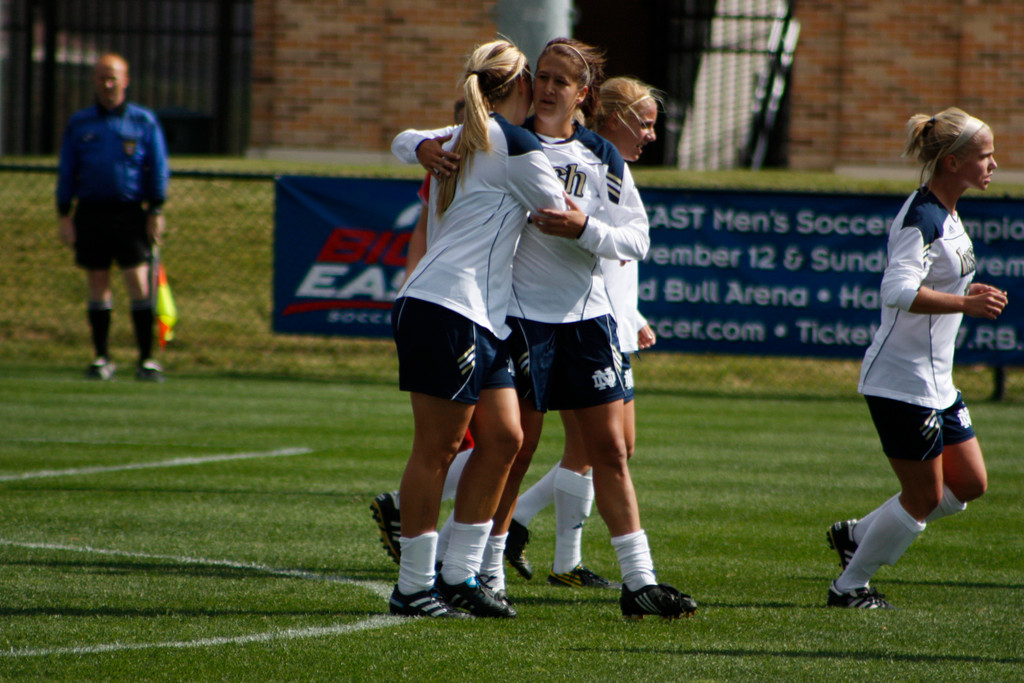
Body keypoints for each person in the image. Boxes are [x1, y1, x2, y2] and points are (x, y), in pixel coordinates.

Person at [386, 39, 566, 619]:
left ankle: (460, 575)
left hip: (478, 314)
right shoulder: (513, 142)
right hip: (446, 306)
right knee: (436, 450)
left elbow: (403, 139)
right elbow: (560, 207)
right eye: (534, 80)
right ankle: (414, 586)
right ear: (518, 88)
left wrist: (419, 146)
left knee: (506, 439)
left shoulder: (469, 134)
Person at [826, 107, 1005, 609]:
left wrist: (964, 295)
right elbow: (898, 290)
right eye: (984, 156)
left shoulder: (947, 209)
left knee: (969, 483)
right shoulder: (922, 217)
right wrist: (966, 303)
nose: (993, 164)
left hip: (936, 381)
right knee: (923, 497)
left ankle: (856, 534)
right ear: (951, 162)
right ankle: (849, 586)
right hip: (901, 380)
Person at [505, 77, 663, 590]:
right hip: (559, 323)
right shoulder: (553, 157)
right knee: (517, 443)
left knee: (610, 449)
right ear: (613, 116)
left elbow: (623, 252)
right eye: (645, 123)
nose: (651, 135)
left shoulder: (609, 170)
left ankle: (558, 555)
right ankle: (491, 539)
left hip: (603, 325)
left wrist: (631, 315)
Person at [56, 52, 169, 382]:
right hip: (91, 212)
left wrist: (156, 210)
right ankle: (101, 357)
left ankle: (146, 359)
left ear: (126, 80)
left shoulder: (142, 121)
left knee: (138, 282)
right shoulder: (81, 123)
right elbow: (67, 170)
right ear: (94, 80)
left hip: (130, 213)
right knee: (97, 282)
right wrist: (64, 213)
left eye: (114, 77)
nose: (108, 83)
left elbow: (158, 168)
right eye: (102, 77)